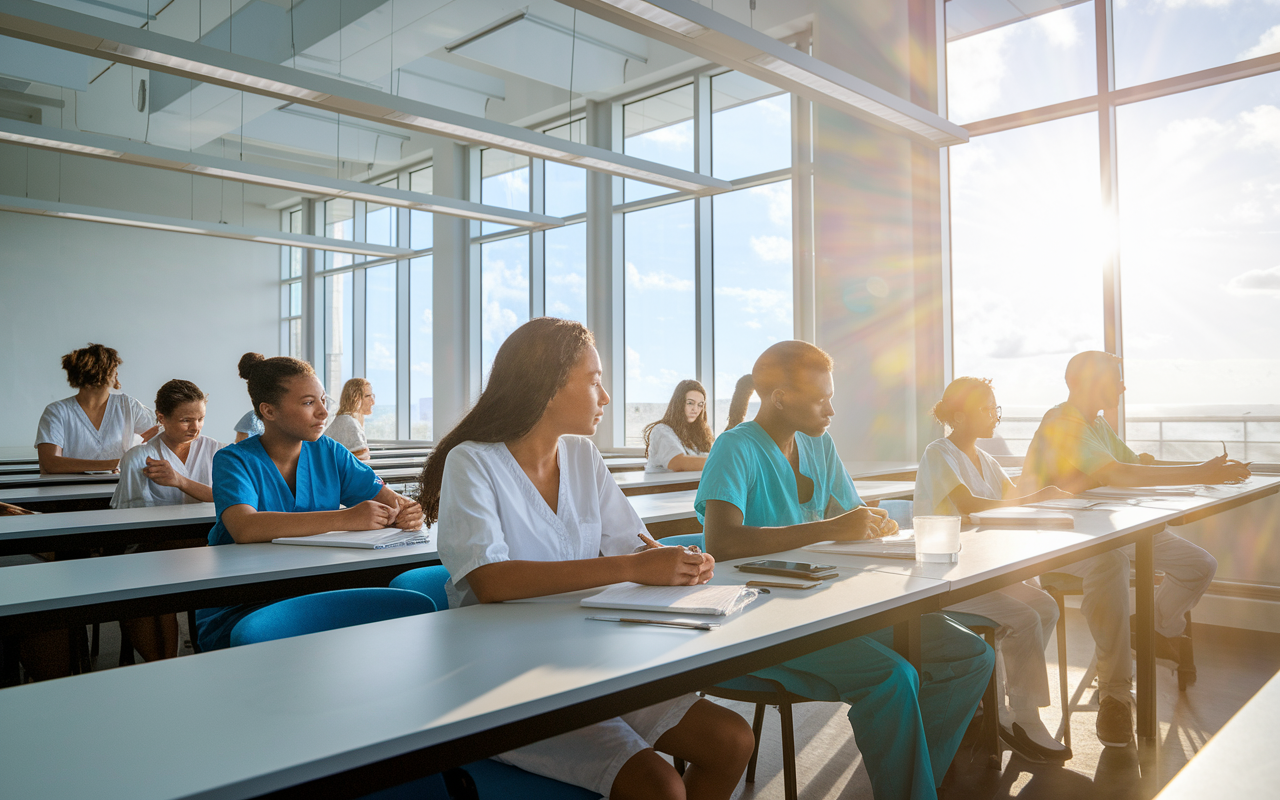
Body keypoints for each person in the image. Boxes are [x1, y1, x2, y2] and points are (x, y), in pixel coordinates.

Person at [419, 318, 754, 800]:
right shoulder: (473, 461)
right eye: (595, 380)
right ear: (549, 385)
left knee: (731, 740)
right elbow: (490, 581)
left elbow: (630, 543)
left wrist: (672, 560)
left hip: (588, 656)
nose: (607, 396)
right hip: (504, 676)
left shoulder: (581, 454)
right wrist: (634, 568)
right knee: (658, 785)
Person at [696, 341, 994, 800]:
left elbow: (851, 514)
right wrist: (832, 527)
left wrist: (872, 524)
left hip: (828, 605)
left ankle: (911, 782)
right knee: (893, 678)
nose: (831, 410)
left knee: (969, 655)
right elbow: (722, 542)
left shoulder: (819, 445)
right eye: (821, 399)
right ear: (780, 397)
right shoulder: (734, 448)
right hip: (761, 619)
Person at [1018, 350, 1249, 747]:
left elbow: (1136, 462)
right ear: (1089, 382)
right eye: (1117, 377)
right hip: (1062, 539)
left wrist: (1212, 471)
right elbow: (1117, 474)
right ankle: (1115, 696)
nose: (1124, 386)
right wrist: (1199, 472)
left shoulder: (1097, 425)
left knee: (1199, 564)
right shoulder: (1062, 423)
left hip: (1110, 530)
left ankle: (1151, 628)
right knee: (1110, 563)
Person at [194, 354, 423, 652]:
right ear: (269, 411)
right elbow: (244, 527)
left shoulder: (331, 451)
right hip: (246, 600)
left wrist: (408, 511)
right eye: (308, 402)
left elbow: (390, 499)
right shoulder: (234, 459)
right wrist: (345, 518)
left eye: (323, 400)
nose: (323, 412)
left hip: (318, 588)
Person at [915, 377, 1074, 761]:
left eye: (995, 408)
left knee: (1046, 606)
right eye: (987, 409)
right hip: (947, 576)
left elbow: (1013, 498)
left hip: (982, 571)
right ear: (958, 416)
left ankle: (1006, 703)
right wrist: (1041, 495)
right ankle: (1019, 717)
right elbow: (970, 505)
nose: (995, 417)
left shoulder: (985, 459)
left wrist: (1051, 483)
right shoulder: (939, 453)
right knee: (1023, 616)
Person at [111, 379, 226, 662]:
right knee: (147, 584)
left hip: (209, 546)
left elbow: (232, 499)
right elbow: (133, 521)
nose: (195, 427)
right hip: (158, 549)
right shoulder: (140, 457)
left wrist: (180, 482)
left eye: (200, 418)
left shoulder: (217, 451)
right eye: (185, 419)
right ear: (161, 418)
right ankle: (162, 663)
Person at [35, 343, 159, 473]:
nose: (117, 374)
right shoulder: (57, 412)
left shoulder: (128, 405)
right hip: (70, 489)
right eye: (114, 370)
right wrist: (117, 463)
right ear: (99, 373)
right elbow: (50, 463)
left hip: (119, 488)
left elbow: (161, 431)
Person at [643, 379, 713, 473]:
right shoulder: (661, 430)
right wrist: (720, 462)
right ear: (678, 403)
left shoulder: (698, 434)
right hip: (666, 487)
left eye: (700, 405)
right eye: (690, 403)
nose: (695, 409)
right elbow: (677, 462)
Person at [324, 378, 374, 460]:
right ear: (355, 398)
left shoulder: (345, 419)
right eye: (367, 396)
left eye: (372, 396)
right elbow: (363, 456)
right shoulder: (348, 422)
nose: (372, 401)